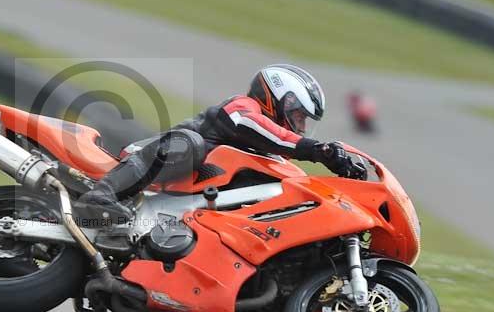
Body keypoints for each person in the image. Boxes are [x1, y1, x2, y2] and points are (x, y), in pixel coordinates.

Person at [76, 64, 364, 222]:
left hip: (191, 200)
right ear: (279, 99)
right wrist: (316, 150)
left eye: (305, 123)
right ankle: (102, 195)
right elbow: (261, 129)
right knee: (190, 143)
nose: (300, 127)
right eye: (298, 117)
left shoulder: (269, 153)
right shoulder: (242, 108)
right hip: (154, 165)